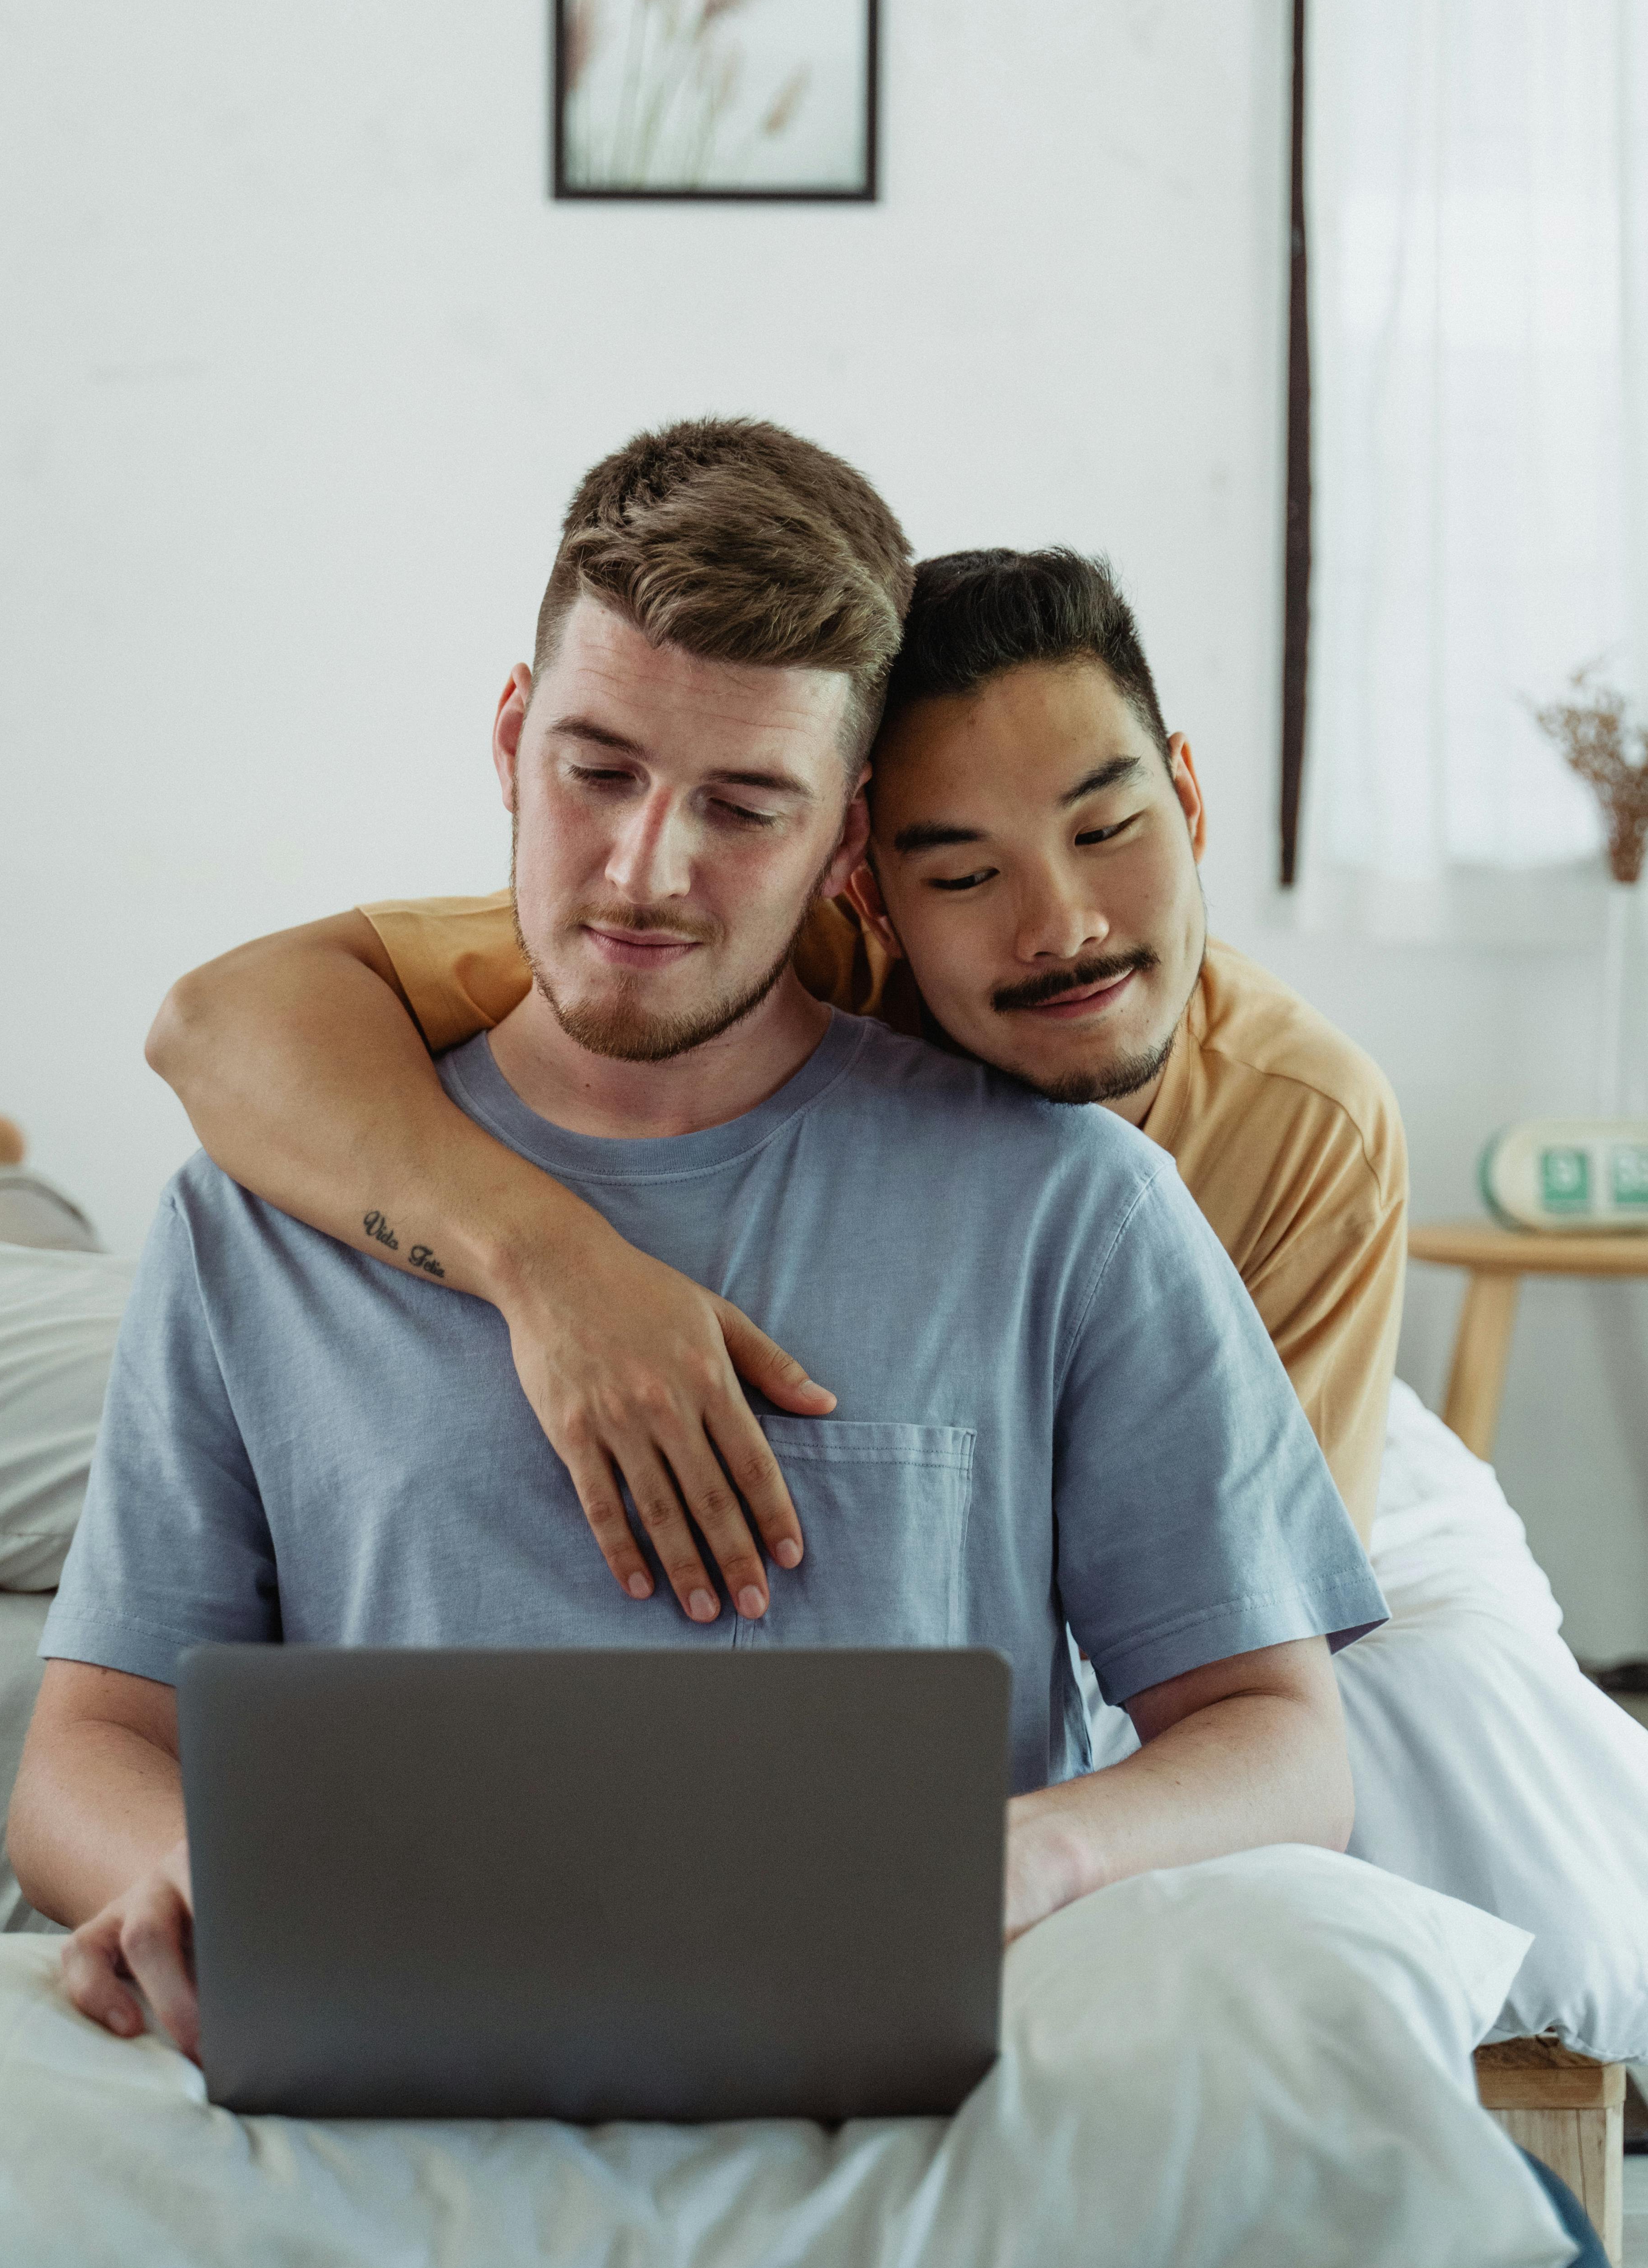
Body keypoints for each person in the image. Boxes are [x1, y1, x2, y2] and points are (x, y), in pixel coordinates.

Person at [10, 416, 1381, 2056]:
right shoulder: (253, 1220)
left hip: (903, 2090)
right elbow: (82, 1747)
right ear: (512, 733)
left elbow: (1285, 1741)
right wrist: (191, 1875)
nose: (643, 872)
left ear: (848, 843)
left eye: (744, 806)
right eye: (595, 771)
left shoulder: (1067, 1205)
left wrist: (1045, 1847)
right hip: (384, 2071)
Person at [144, 547, 1404, 1641]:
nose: (1060, 930)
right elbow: (218, 1024)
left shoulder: (1303, 1127)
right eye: (962, 875)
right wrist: (552, 1267)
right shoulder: (748, 955)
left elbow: (1248, 1609)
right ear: (858, 878)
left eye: (1107, 829)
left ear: (1184, 796)